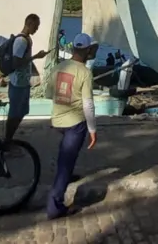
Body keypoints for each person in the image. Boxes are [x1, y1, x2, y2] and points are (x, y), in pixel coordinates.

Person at [47, 32, 99, 219]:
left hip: (57, 120)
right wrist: (93, 130)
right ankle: (55, 207)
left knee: (66, 154)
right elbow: (88, 104)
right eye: (92, 49)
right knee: (65, 163)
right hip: (75, 123)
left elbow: (48, 94)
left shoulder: (58, 67)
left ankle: (66, 175)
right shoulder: (85, 72)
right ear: (86, 51)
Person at [4, 13, 49, 146]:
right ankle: (7, 142)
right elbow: (16, 62)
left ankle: (9, 139)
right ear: (29, 24)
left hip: (24, 82)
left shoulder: (28, 40)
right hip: (17, 83)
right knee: (14, 113)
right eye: (36, 26)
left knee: (21, 112)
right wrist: (35, 56)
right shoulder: (21, 41)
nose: (37, 29)